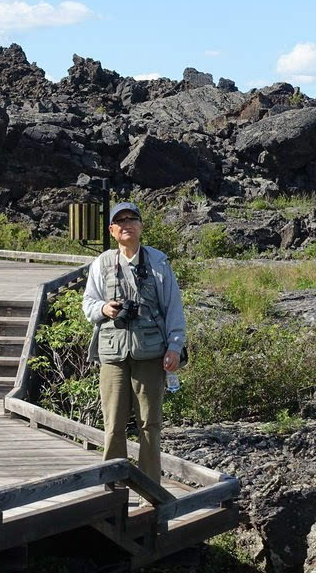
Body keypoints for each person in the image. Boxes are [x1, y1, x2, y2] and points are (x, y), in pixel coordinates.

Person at [82, 202, 187, 485]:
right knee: (114, 425)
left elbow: (174, 308)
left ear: (141, 226)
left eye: (132, 219)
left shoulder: (158, 263)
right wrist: (105, 309)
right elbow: (88, 304)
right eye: (121, 221)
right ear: (112, 230)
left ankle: (149, 489)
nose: (127, 224)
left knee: (150, 425)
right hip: (113, 354)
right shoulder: (101, 263)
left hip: (151, 353)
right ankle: (112, 489)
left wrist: (175, 347)